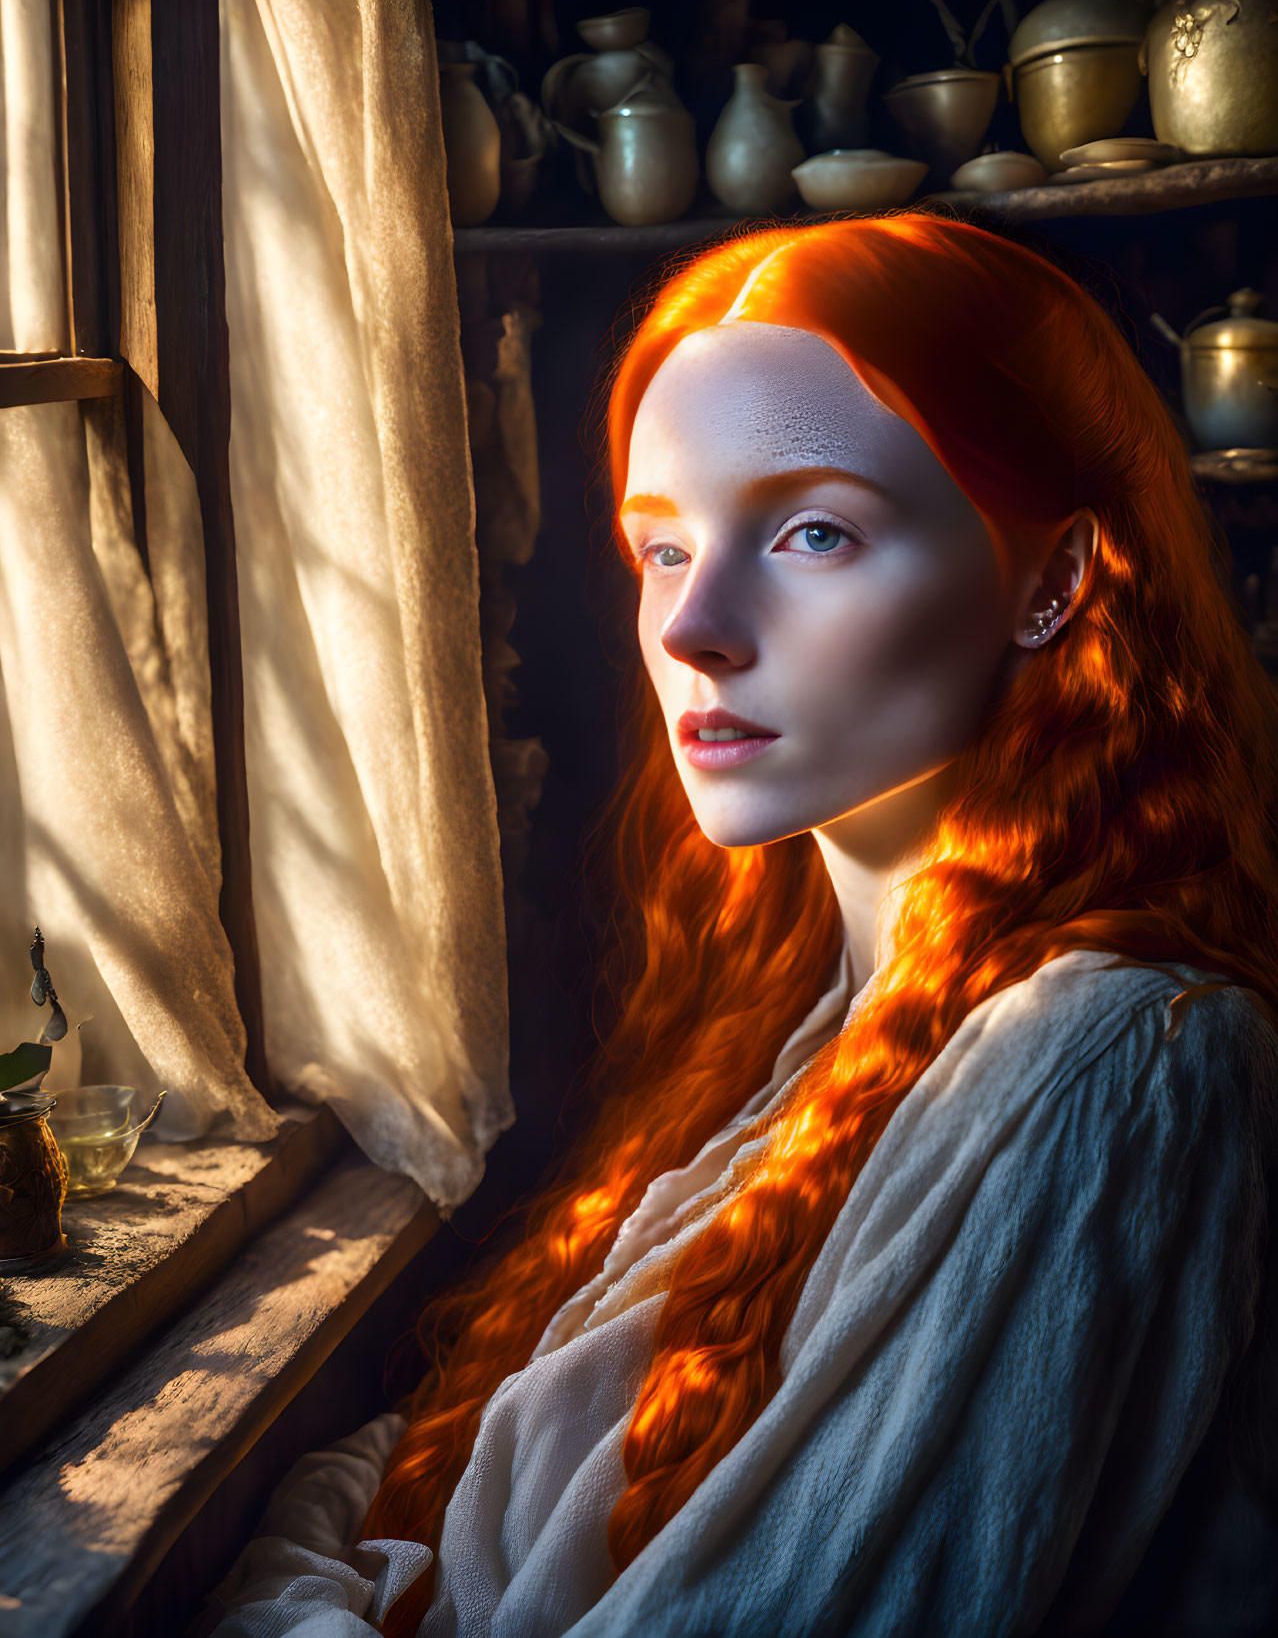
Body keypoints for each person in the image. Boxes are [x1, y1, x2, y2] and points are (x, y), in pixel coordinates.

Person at [200, 214, 1278, 1638]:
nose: (695, 625)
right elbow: (420, 1461)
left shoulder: (1104, 1057)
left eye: (812, 530)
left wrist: (281, 1600)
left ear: (1051, 581)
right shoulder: (826, 1015)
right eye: (660, 547)